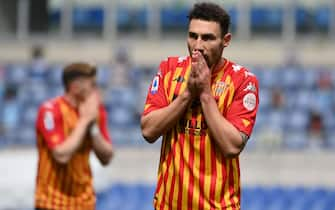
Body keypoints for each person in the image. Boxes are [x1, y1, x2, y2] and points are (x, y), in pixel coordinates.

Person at [141, 2, 259, 210]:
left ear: (226, 40)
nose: (197, 45)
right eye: (193, 36)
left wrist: (204, 94)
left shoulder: (243, 80)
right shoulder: (169, 69)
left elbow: (232, 146)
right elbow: (149, 130)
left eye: (207, 38)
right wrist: (187, 94)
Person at [34, 62, 114, 210]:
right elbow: (61, 155)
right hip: (51, 203)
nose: (97, 90)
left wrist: (92, 125)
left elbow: (107, 157)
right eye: (93, 85)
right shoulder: (50, 110)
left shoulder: (96, 113)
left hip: (85, 204)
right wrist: (84, 121)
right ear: (75, 87)